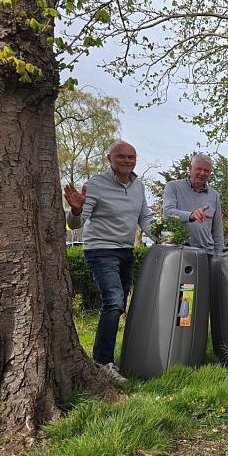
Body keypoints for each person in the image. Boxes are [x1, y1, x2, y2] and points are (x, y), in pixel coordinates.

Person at [64, 141, 155, 384]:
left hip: (125, 250)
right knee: (114, 300)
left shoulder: (138, 186)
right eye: (121, 156)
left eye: (131, 157)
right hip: (101, 250)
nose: (127, 161)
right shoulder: (95, 184)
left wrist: (163, 237)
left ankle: (107, 358)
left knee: (119, 304)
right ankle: (103, 363)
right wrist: (75, 210)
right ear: (109, 159)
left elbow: (145, 217)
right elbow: (76, 224)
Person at [162, 153, 224, 256]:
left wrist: (219, 256)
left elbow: (217, 230)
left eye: (206, 170)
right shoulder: (172, 187)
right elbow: (167, 213)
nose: (202, 173)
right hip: (177, 252)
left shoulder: (214, 195)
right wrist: (191, 216)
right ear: (190, 168)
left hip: (206, 254)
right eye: (199, 169)